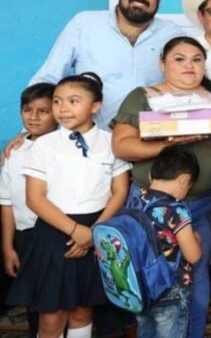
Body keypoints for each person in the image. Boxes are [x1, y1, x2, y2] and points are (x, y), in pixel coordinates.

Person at [111, 36, 211, 338]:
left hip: (200, 206)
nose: (189, 65)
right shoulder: (141, 97)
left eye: (196, 59)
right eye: (179, 58)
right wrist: (169, 143)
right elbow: (122, 146)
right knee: (149, 277)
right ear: (162, 63)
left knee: (195, 279)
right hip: (149, 209)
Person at [8, 73, 130, 338]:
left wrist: (94, 232)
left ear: (95, 106)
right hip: (55, 232)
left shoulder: (111, 142)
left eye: (73, 101)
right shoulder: (44, 145)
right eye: (58, 101)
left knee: (82, 309)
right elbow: (35, 198)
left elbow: (119, 191)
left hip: (97, 228)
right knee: (51, 313)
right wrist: (77, 231)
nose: (63, 108)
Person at [29, 0, 180, 129]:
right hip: (88, 140)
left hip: (148, 139)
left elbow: (188, 83)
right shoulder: (84, 23)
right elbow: (47, 79)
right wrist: (31, 131)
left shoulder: (171, 33)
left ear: (159, 0)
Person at [0, 83, 57, 337]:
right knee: (34, 303)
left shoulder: (64, 149)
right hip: (25, 236)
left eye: (42, 111)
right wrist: (8, 246)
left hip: (57, 235)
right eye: (27, 110)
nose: (33, 117)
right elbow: (6, 201)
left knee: (57, 303)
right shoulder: (15, 152)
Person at [132, 145, 203, 338]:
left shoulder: (137, 201)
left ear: (150, 176)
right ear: (184, 180)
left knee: (145, 330)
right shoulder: (176, 209)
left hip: (141, 288)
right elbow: (193, 255)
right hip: (170, 290)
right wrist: (196, 238)